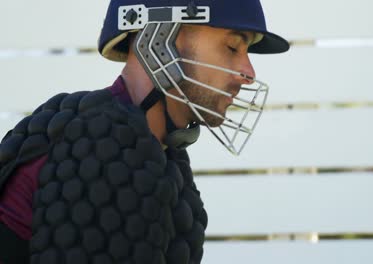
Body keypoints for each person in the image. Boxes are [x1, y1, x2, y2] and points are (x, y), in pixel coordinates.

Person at [0, 0, 289, 263]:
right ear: (160, 40)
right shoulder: (101, 146)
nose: (249, 73)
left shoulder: (160, 154)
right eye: (231, 47)